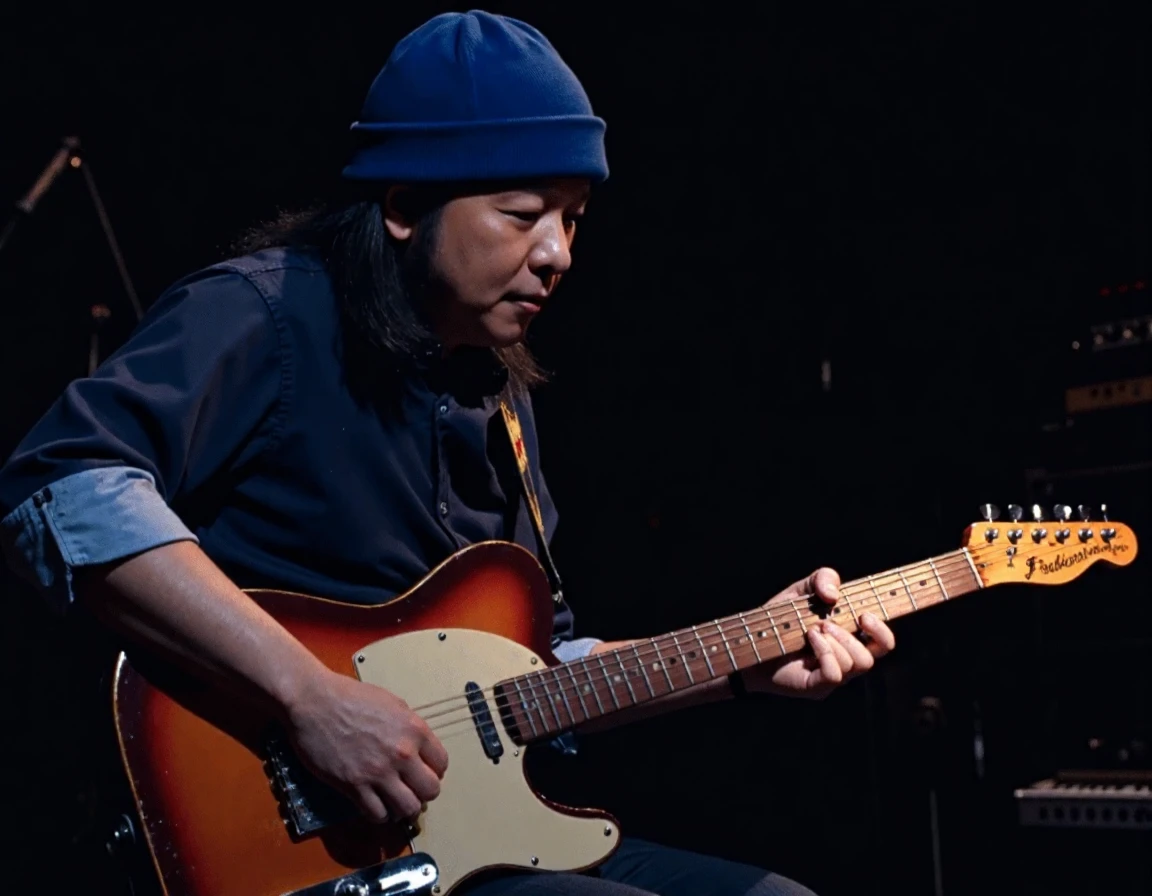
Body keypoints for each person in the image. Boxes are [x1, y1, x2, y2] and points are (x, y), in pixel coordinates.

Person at [0, 11, 895, 896]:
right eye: (522, 215)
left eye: (574, 220)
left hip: (456, 837)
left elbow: (536, 670)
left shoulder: (499, 395)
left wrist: (737, 667)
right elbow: (64, 484)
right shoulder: (265, 315)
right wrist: (308, 700)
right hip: (295, 848)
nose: (558, 255)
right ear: (403, 206)